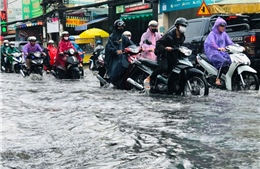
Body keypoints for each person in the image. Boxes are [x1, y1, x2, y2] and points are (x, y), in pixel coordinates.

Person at [143, 17, 188, 91]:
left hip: (172, 56)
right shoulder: (169, 35)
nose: (184, 28)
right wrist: (165, 48)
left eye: (185, 26)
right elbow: (158, 43)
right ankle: (149, 79)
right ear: (177, 26)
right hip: (163, 54)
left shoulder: (182, 37)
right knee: (164, 67)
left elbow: (179, 46)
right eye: (182, 26)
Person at [105, 19, 135, 89]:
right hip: (114, 58)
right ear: (116, 27)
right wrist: (116, 51)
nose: (121, 28)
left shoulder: (124, 37)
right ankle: (113, 82)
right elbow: (109, 47)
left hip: (123, 57)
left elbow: (131, 44)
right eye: (119, 27)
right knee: (115, 72)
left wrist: (136, 48)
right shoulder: (112, 37)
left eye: (122, 27)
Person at [204, 17, 234, 86]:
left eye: (224, 26)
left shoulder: (224, 34)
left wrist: (236, 47)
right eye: (221, 26)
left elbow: (230, 42)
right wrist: (218, 48)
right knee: (223, 61)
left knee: (230, 61)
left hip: (222, 52)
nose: (223, 28)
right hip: (213, 52)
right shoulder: (212, 34)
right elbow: (212, 43)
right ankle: (218, 79)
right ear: (217, 26)